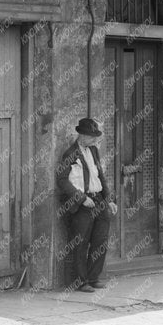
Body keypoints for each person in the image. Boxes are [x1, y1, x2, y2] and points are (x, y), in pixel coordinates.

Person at [56, 116, 117, 291]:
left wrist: (109, 199)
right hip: (81, 203)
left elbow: (101, 177)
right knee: (80, 242)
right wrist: (81, 198)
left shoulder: (94, 151)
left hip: (98, 199)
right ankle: (80, 281)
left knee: (101, 240)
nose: (94, 139)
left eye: (95, 136)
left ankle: (93, 277)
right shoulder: (70, 154)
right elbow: (62, 181)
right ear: (81, 135)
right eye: (91, 136)